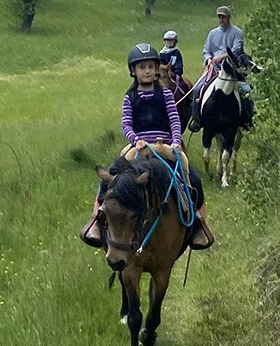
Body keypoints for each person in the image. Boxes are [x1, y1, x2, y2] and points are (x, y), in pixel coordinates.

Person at [80, 43, 214, 251]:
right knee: (111, 175)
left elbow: (174, 119)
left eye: (151, 66)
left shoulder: (166, 95)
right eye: (142, 67)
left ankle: (198, 224)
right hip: (139, 145)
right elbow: (126, 123)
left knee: (192, 177)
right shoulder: (130, 98)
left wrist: (176, 140)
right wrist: (135, 140)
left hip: (165, 145)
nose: (147, 71)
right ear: (133, 71)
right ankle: (98, 219)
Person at [189, 5, 255, 131]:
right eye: (219, 16)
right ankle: (197, 119)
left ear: (228, 17)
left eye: (223, 16)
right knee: (197, 89)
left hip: (232, 69)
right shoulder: (212, 33)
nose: (221, 19)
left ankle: (247, 119)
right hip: (214, 69)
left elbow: (236, 51)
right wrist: (208, 59)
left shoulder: (237, 33)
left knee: (246, 90)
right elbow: (206, 50)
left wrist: (221, 57)